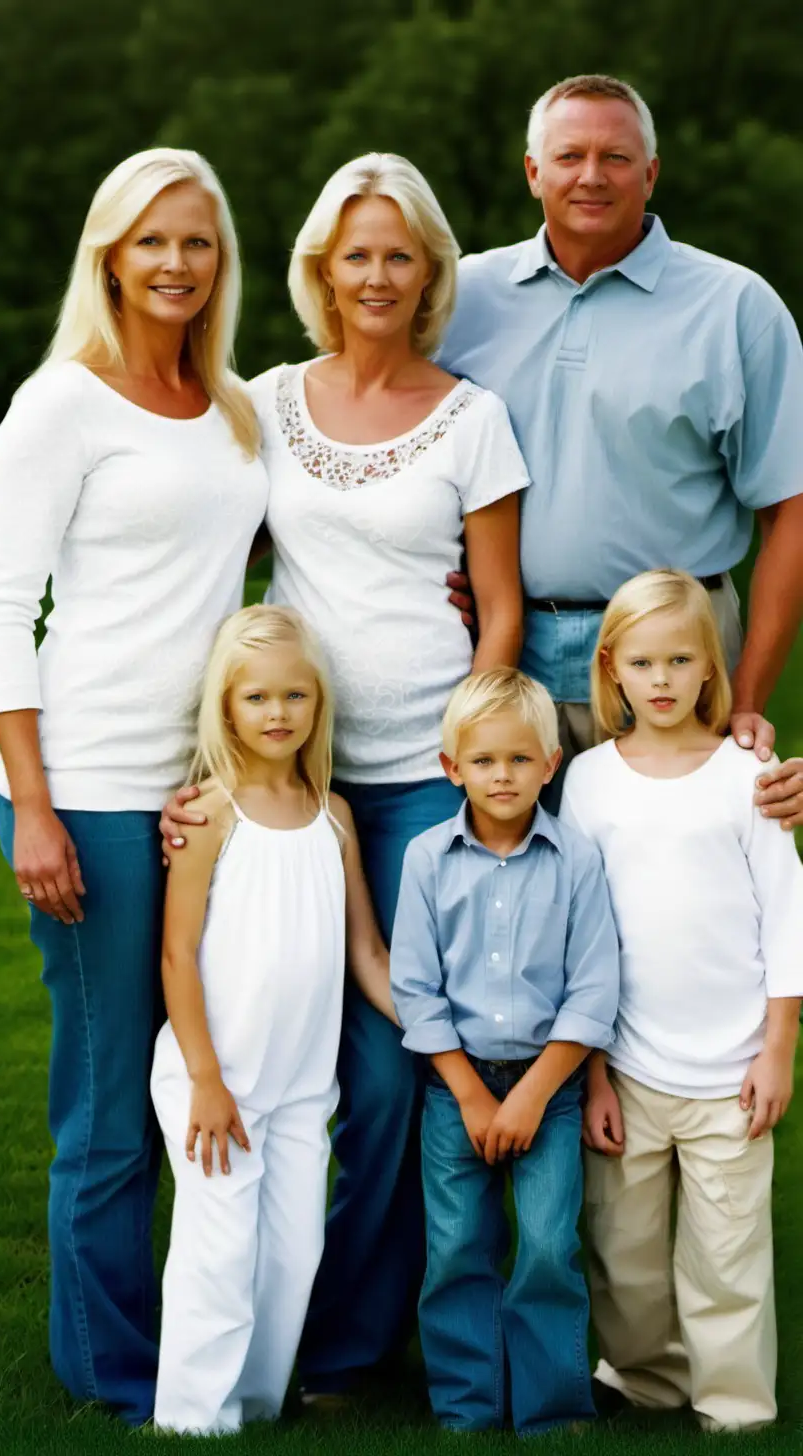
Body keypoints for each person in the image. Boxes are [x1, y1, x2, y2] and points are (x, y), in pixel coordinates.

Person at [161, 152, 529, 1397]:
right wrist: (204, 760)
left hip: (428, 785)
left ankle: (352, 1348)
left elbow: (500, 604)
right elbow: (218, 573)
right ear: (321, 269)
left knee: (386, 1074)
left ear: (430, 273)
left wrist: (470, 744)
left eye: (400, 254)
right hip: (289, 790)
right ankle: (245, 1310)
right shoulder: (265, 402)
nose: (376, 274)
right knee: (263, 1052)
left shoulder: (473, 416)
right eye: (354, 253)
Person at [0, 149, 268, 1425]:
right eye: (150, 240)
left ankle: (197, 1333)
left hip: (202, 791)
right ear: (109, 254)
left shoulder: (232, 405)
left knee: (199, 1072)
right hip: (87, 783)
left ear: (222, 262)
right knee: (110, 1101)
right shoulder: (63, 404)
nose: (174, 262)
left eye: (197, 242)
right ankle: (109, 1369)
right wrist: (32, 800)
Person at [440, 72, 803, 824]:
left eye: (616, 156)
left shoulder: (736, 307)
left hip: (675, 653)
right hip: (508, 649)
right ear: (533, 171)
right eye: (570, 156)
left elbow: (792, 509)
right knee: (513, 881)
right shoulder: (461, 298)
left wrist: (748, 697)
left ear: (652, 172)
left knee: (669, 890)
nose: (592, 175)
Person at [560, 569, 803, 1432]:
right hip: (626, 1064)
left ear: (712, 669)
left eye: (679, 660)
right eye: (642, 662)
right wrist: (590, 1075)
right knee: (622, 1249)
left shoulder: (748, 773)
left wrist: (779, 1047)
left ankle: (734, 1403)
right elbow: (581, 936)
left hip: (733, 1069)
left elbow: (786, 914)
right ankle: (644, 1376)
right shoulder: (589, 781)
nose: (660, 680)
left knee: (727, 1248)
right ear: (611, 669)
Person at [151, 605, 396, 1434]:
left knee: (292, 1257)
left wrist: (436, 1028)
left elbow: (367, 954)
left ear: (319, 704)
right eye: (257, 697)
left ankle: (251, 1410)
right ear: (226, 706)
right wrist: (207, 1081)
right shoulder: (209, 814)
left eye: (295, 695)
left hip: (299, 1086)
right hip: (214, 1079)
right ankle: (191, 1420)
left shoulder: (333, 817)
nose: (278, 713)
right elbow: (178, 957)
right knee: (217, 1256)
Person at [390, 667, 620, 1435]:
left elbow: (593, 992)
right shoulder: (426, 858)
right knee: (456, 1245)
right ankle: (468, 1405)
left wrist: (530, 1094)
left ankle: (553, 1410)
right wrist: (471, 1093)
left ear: (550, 765)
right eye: (483, 760)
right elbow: (415, 991)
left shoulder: (576, 859)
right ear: (451, 765)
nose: (502, 775)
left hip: (548, 1092)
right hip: (455, 1091)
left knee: (551, 1245)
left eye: (521, 760)